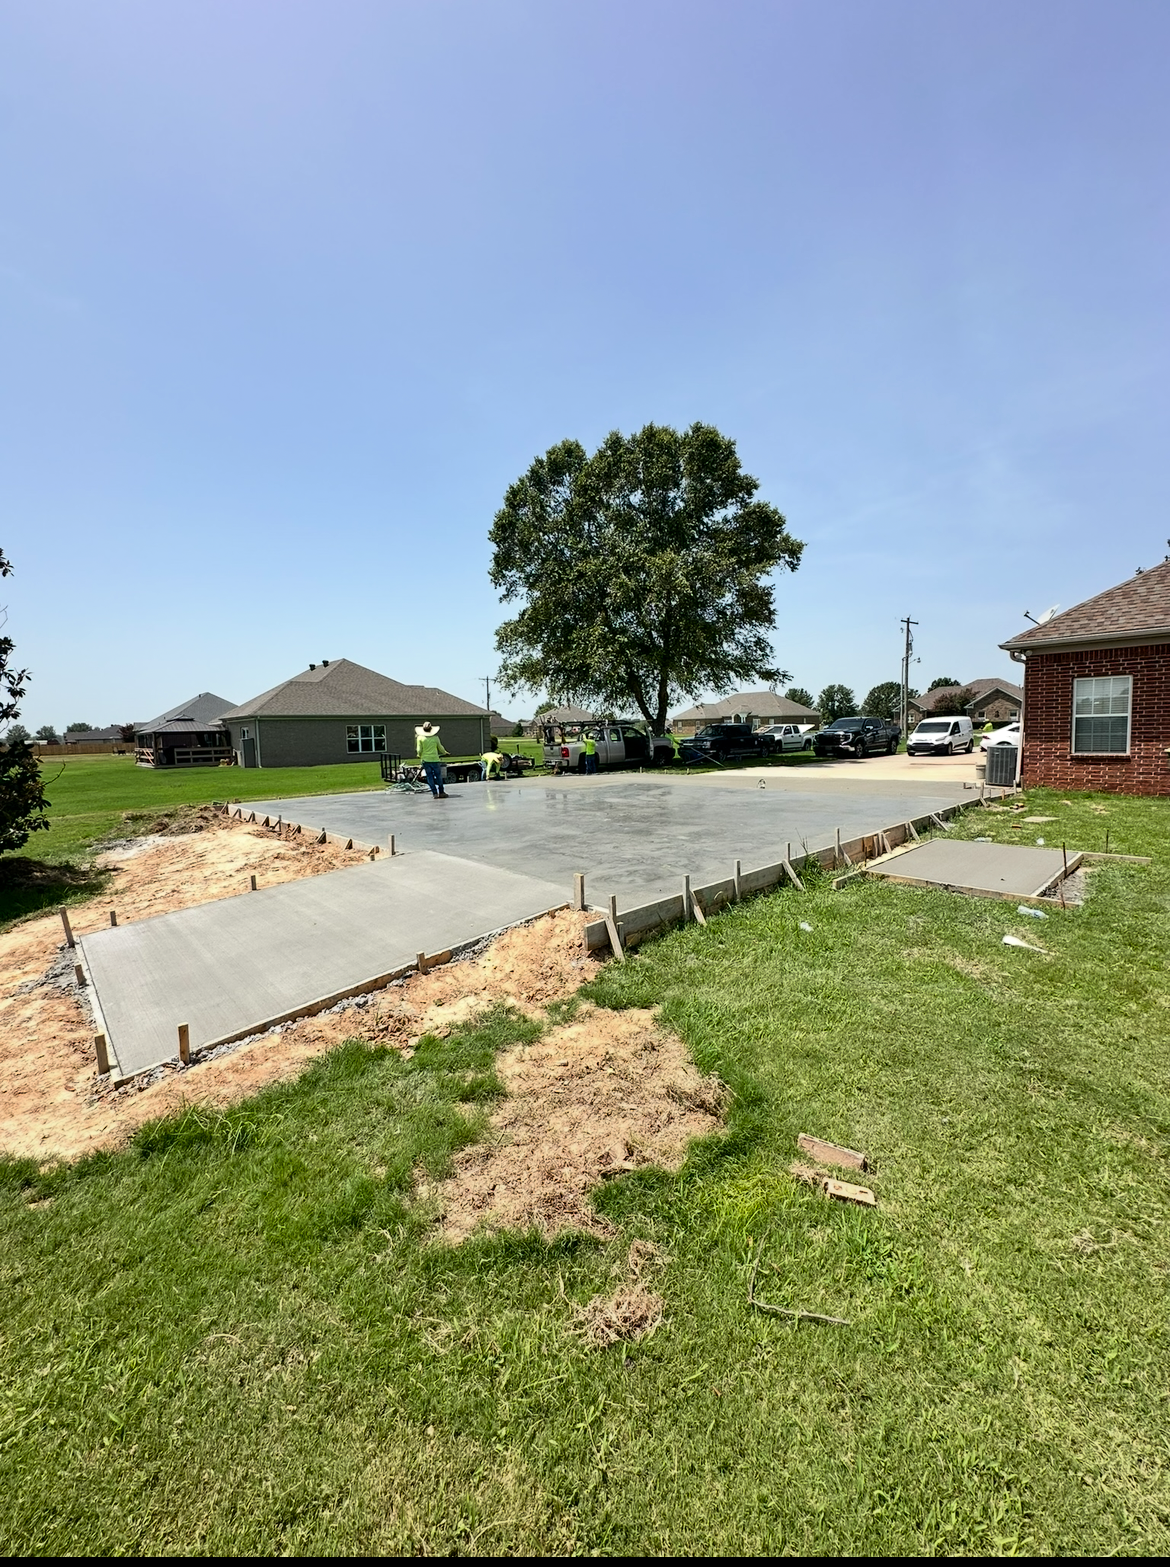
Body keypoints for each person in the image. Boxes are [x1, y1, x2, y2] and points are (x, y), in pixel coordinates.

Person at [415, 721, 449, 799]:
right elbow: (440, 747)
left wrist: (419, 755)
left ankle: (434, 793)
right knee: (438, 776)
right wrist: (445, 752)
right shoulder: (435, 738)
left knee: (429, 776)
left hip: (426, 760)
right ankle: (441, 792)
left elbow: (419, 749)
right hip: (435, 759)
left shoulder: (420, 738)